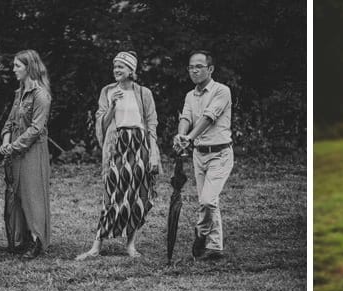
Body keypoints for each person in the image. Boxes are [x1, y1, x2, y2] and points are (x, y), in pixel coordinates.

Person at [75, 51, 160, 260]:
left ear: (131, 70)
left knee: (135, 195)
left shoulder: (143, 93)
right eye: (114, 67)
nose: (116, 70)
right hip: (117, 144)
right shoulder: (107, 91)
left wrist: (154, 152)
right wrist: (112, 105)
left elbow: (151, 123)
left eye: (121, 66)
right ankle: (96, 245)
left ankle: (130, 245)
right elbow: (101, 124)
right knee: (112, 194)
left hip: (139, 145)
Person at [173, 50, 234, 260]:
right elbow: (186, 116)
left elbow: (209, 118)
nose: (194, 71)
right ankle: (215, 248)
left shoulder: (222, 91)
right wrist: (181, 135)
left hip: (221, 153)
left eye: (199, 66)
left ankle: (201, 232)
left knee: (207, 201)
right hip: (199, 155)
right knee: (210, 200)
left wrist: (188, 138)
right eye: (191, 67)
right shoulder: (190, 95)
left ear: (210, 69)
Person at [1, 49, 52, 259]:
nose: (13, 70)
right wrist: (5, 140)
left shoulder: (41, 95)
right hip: (15, 149)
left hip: (32, 151)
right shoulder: (19, 93)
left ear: (28, 67)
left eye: (17, 66)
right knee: (17, 194)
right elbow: (10, 121)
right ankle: (21, 239)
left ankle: (36, 240)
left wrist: (13, 146)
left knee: (32, 194)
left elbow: (36, 128)